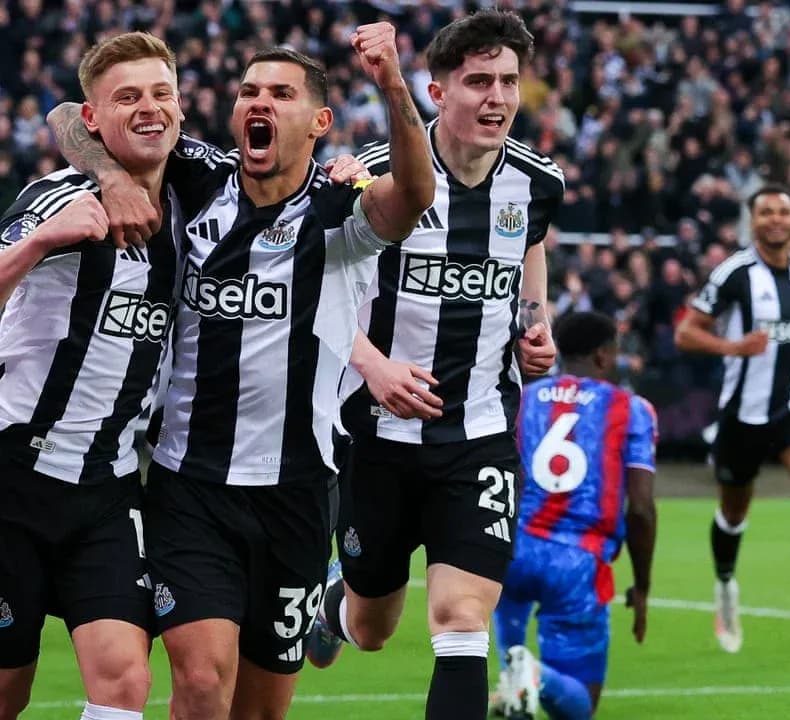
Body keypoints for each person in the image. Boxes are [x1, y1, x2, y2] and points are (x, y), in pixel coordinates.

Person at [50, 22, 434, 720]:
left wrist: (391, 83)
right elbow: (67, 121)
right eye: (249, 91)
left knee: (258, 711)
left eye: (281, 94)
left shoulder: (340, 212)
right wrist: (110, 175)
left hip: (297, 493)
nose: (260, 102)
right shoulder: (197, 177)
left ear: (318, 122)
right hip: (188, 486)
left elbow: (413, 194)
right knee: (200, 684)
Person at [0, 32, 186, 720]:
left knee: (125, 682)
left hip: (108, 484)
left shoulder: (203, 190)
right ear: (96, 119)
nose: (150, 109)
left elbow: (65, 114)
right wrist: (43, 238)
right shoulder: (55, 197)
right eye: (128, 97)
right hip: (9, 478)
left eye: (162, 93)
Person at [306, 11, 562, 720]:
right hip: (375, 439)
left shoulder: (537, 182)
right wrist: (374, 367)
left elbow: (532, 243)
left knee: (459, 619)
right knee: (372, 629)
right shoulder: (376, 177)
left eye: (509, 81)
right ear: (437, 90)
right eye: (478, 81)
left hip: (477, 435)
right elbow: (313, 295)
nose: (497, 97)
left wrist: (535, 324)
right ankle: (337, 599)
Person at [675, 184, 790, 658]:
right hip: (743, 413)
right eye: (766, 212)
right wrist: (733, 347)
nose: (776, 219)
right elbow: (686, 332)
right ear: (754, 222)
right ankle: (726, 587)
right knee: (734, 512)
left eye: (783, 212)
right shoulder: (734, 274)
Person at [491, 311, 657, 720]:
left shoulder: (524, 398)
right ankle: (533, 675)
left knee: (511, 666)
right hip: (577, 562)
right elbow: (640, 509)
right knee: (579, 703)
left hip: (512, 548)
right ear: (604, 356)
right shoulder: (631, 409)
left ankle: (517, 673)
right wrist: (642, 585)